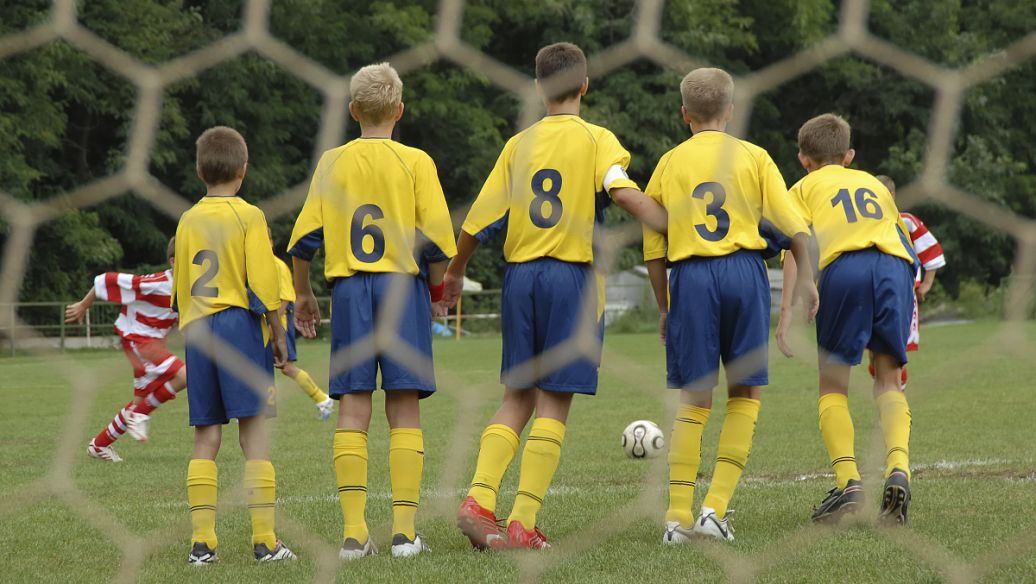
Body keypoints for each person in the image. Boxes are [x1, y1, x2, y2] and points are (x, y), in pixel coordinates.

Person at [442, 42, 668, 551]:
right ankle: (523, 520)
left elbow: (478, 221)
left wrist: (455, 272)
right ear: (585, 85)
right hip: (573, 279)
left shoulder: (516, 145)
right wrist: (669, 221)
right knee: (554, 401)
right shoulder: (597, 139)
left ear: (539, 87)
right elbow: (619, 188)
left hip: (520, 279)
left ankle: (478, 500)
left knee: (516, 396)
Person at [641, 68, 817, 545]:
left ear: (685, 115)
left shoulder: (670, 162)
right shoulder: (754, 156)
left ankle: (676, 518)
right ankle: (714, 510)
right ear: (732, 110)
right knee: (746, 394)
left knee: (694, 399)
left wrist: (665, 307)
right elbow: (795, 227)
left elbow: (654, 248)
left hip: (691, 277)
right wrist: (808, 285)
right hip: (744, 272)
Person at [288, 62, 457, 560]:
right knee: (404, 404)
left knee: (353, 405)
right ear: (400, 111)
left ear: (352, 110)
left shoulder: (332, 162)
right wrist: (434, 291)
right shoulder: (416, 162)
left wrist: (302, 294)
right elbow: (440, 245)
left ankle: (354, 533)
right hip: (402, 290)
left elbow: (302, 243)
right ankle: (405, 534)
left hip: (350, 294)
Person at [778, 114, 917, 525]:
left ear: (804, 158)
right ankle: (899, 468)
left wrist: (786, 310)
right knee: (888, 379)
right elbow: (903, 239)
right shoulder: (875, 183)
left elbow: (794, 243)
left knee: (833, 385)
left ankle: (849, 483)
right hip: (895, 267)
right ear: (849, 156)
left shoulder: (802, 186)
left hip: (846, 269)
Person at [172, 126, 296, 564]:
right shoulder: (250, 215)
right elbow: (263, 284)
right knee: (254, 436)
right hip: (240, 328)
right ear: (243, 171)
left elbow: (180, 287)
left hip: (199, 329)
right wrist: (280, 336)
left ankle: (202, 546)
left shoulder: (187, 219)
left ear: (199, 170)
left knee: (206, 438)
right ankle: (265, 542)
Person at [67, 237, 185, 460]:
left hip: (151, 343)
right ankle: (138, 415)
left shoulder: (188, 288)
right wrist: (83, 305)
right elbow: (105, 280)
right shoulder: (158, 283)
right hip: (138, 339)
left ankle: (99, 445)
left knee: (141, 401)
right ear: (173, 261)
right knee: (186, 375)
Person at [866, 175, 947, 389]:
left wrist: (926, 286)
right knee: (874, 354)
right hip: (869, 295)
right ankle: (886, 394)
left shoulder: (906, 222)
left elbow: (933, 253)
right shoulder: (862, 223)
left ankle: (896, 398)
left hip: (902, 297)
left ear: (892, 196)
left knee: (894, 352)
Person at [269, 229, 334, 420]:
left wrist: (273, 326)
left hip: (280, 324)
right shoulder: (258, 264)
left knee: (287, 367)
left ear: (271, 242)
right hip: (268, 325)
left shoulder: (277, 266)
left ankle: (322, 399)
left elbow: (285, 299)